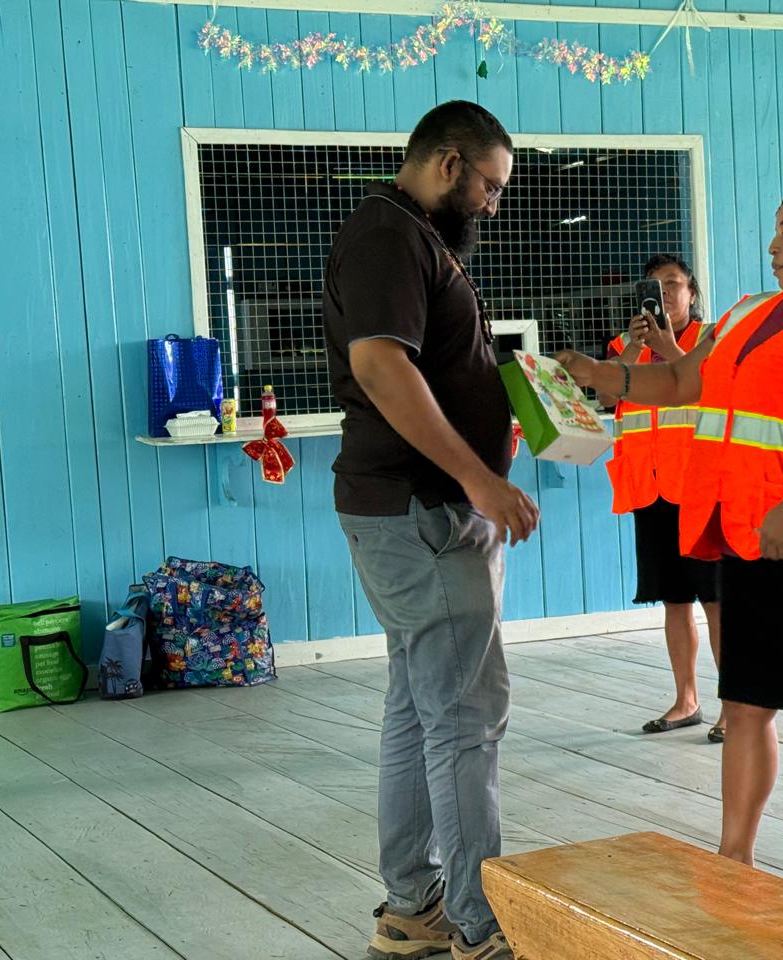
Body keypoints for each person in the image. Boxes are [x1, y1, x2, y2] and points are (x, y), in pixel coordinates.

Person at [558, 185, 783, 916]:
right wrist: (602, 375)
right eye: (774, 230)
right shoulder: (748, 314)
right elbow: (682, 380)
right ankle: (734, 858)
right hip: (745, 541)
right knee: (745, 707)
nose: (774, 245)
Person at [322, 100, 538, 960]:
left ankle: (415, 906)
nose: (493, 203)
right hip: (423, 513)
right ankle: (480, 928)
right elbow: (382, 365)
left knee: (420, 712)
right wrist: (479, 479)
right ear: (449, 163)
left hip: (407, 512)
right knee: (464, 719)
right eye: (490, 184)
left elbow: (436, 367)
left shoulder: (414, 237)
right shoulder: (390, 236)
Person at [601, 255, 725, 742]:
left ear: (692, 292)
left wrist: (668, 346)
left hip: (701, 489)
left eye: (674, 283)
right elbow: (607, 396)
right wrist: (636, 347)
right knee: (674, 600)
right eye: (654, 286)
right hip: (649, 489)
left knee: (716, 601)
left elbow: (711, 389)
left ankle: (734, 707)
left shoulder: (710, 339)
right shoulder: (621, 346)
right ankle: (686, 700)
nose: (665, 292)